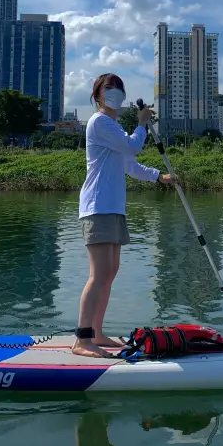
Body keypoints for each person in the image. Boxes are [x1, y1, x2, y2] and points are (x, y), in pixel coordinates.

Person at [73, 73, 173, 358]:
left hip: (113, 207)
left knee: (111, 272)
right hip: (97, 206)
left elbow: (131, 164)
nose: (114, 92)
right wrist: (141, 124)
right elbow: (133, 145)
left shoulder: (114, 127)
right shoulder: (100, 122)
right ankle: (82, 340)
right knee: (99, 274)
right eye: (109, 88)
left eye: (119, 87)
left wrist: (159, 177)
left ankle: (97, 332)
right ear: (98, 95)